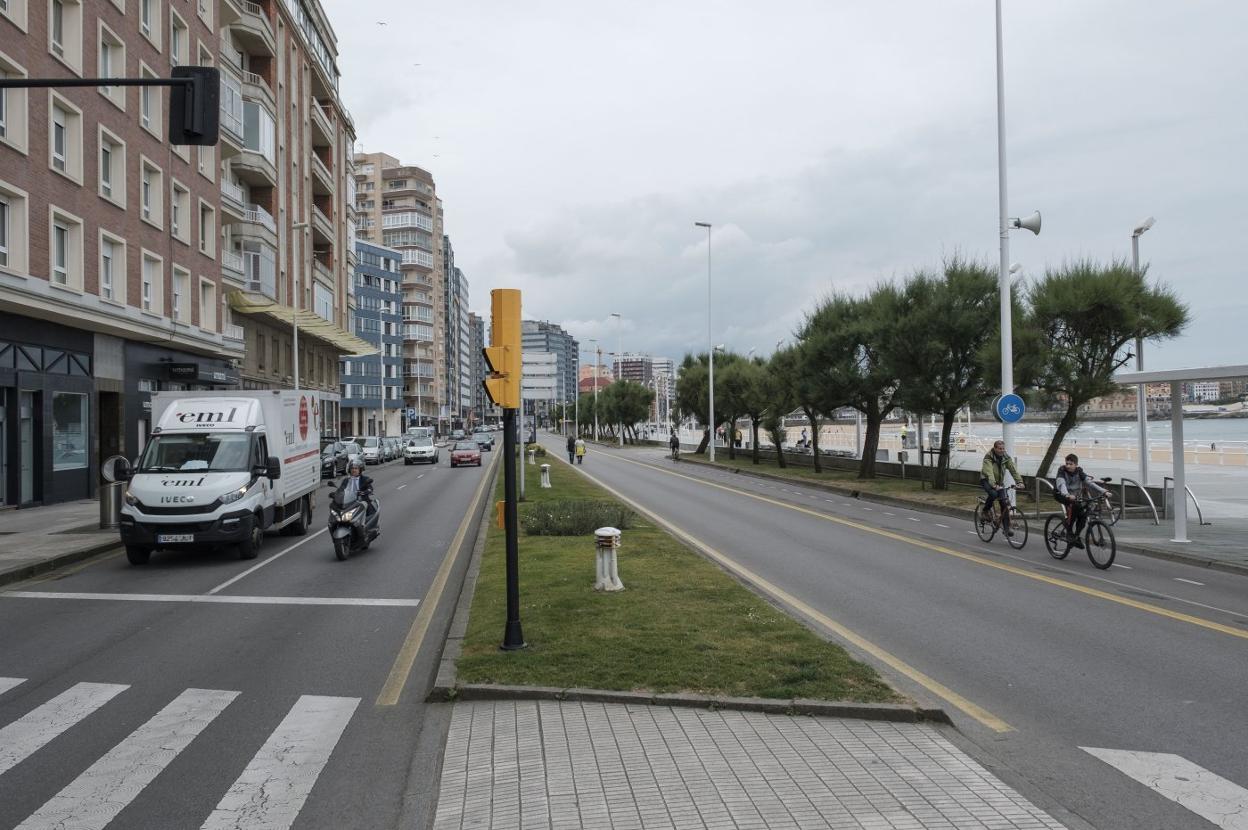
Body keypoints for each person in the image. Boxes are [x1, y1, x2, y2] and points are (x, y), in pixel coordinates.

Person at [1054, 453, 1107, 549]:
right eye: (1067, 463)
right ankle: (1069, 532)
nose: (1068, 466)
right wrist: (1067, 495)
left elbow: (1089, 482)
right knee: (1074, 507)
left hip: (1074, 496)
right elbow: (1061, 484)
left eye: (1071, 464)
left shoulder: (1079, 471)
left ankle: (1076, 537)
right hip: (1061, 494)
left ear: (1076, 464)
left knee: (1083, 515)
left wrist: (1104, 491)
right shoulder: (1062, 470)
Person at [979, 439, 1021, 537]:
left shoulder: (1006, 457)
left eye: (1003, 448)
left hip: (998, 482)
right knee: (993, 494)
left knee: (1004, 502)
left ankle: (1006, 528)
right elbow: (989, 472)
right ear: (995, 448)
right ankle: (985, 511)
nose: (1002, 450)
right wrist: (993, 485)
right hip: (986, 479)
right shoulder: (988, 457)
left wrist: (1019, 481)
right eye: (1000, 449)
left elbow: (1013, 470)